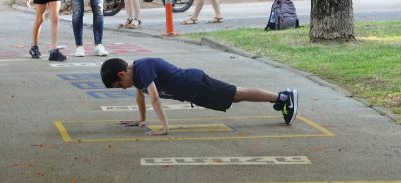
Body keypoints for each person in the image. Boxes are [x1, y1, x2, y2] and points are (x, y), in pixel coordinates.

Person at [100, 57, 298, 136]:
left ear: (121, 74)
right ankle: (280, 98)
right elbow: (140, 97)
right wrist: (141, 120)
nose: (123, 88)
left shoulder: (141, 68)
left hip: (195, 84)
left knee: (237, 94)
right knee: (236, 96)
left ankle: (282, 97)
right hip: (192, 92)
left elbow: (154, 98)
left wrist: (164, 128)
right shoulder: (136, 78)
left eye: (120, 85)